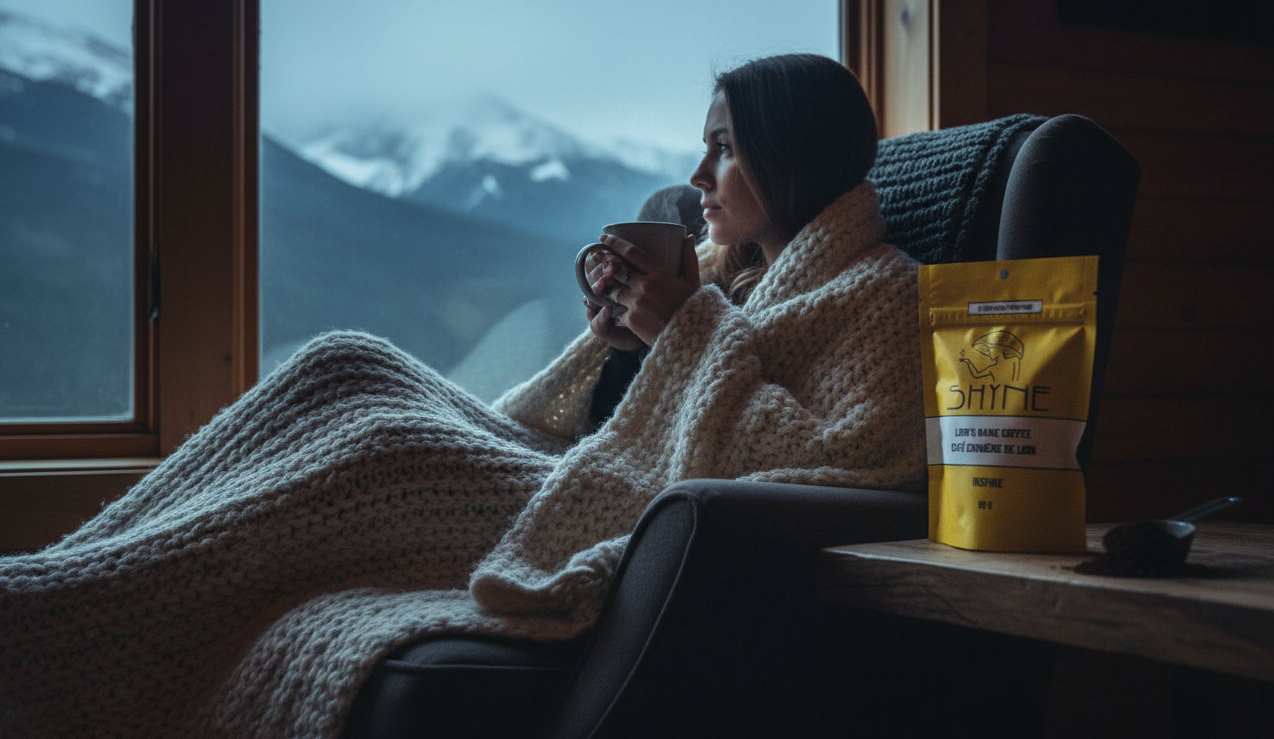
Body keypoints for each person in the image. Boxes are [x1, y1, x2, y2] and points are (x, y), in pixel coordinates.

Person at [0, 54, 926, 738]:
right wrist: (614, 351)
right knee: (346, 365)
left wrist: (681, 332)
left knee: (385, 450)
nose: (695, 179)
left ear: (788, 152)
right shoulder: (727, 277)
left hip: (619, 510)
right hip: (586, 465)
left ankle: (48, 623)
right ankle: (69, 570)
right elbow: (651, 402)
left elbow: (841, 468)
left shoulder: (881, 293)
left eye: (721, 149)